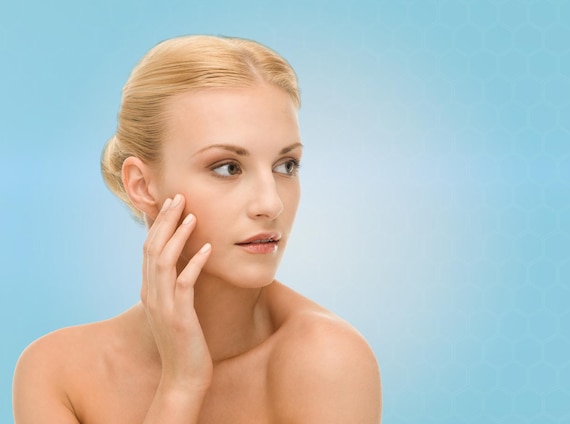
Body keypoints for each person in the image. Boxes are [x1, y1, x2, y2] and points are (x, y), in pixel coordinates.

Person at [12, 35, 382, 423]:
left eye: (286, 165)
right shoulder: (56, 373)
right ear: (142, 185)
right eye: (228, 168)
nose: (271, 203)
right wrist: (181, 385)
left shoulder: (327, 360)